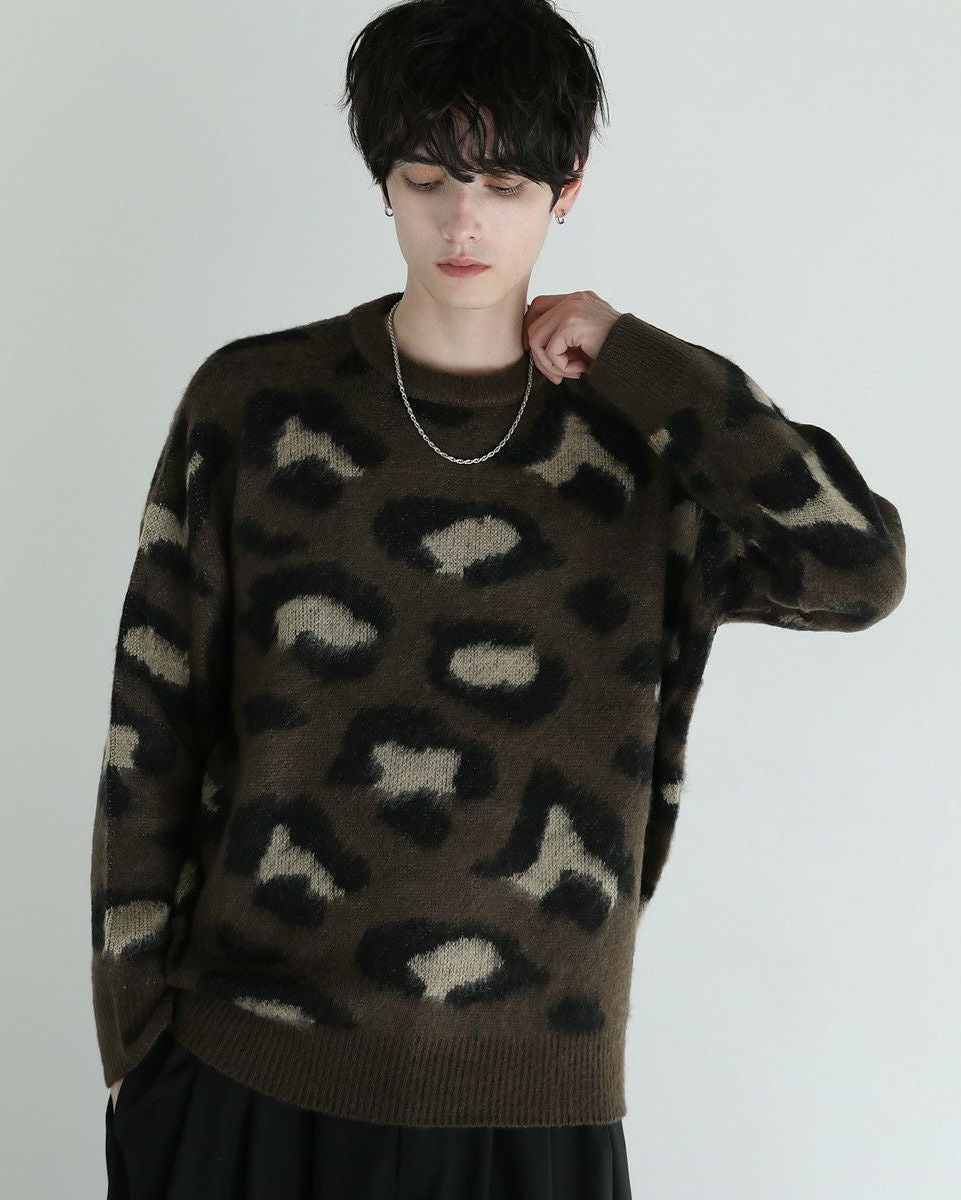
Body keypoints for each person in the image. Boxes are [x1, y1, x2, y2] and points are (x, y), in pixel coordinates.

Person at [92, 1, 906, 1197]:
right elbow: (152, 726)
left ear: (567, 187)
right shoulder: (256, 405)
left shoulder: (642, 444)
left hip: (533, 1095)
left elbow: (857, 569)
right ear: (384, 177)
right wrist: (131, 1050)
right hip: (247, 1070)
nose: (462, 221)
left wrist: (640, 359)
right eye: (427, 178)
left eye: (505, 184)